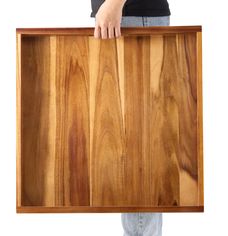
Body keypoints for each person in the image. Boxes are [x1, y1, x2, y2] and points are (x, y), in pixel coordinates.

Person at [90, 1, 171, 235]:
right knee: (130, 154)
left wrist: (114, 3)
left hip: (132, 16)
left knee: (140, 155)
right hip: (120, 17)